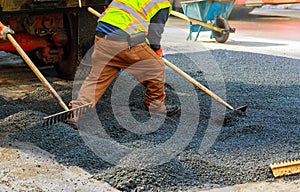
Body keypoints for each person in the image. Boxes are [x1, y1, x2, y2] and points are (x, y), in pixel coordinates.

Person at [68, 0, 180, 126]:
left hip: (102, 37)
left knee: (96, 79)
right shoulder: (162, 4)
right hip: (125, 40)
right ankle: (157, 108)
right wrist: (155, 52)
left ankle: (78, 112)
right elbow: (154, 36)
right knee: (157, 67)